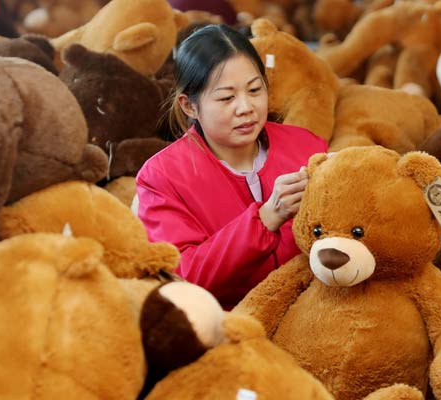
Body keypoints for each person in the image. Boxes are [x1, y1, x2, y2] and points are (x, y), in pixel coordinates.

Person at [136, 24, 328, 309]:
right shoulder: (162, 178)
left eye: (254, 90)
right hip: (234, 329)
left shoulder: (306, 146)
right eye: (227, 97)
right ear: (189, 106)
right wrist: (265, 219)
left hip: (316, 314)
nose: (246, 107)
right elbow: (184, 275)